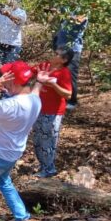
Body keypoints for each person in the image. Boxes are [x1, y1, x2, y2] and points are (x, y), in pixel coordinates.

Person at [0, 60, 48, 221]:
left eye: (7, 80)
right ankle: (22, 216)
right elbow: (36, 90)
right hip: (13, 153)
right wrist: (40, 81)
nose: (3, 82)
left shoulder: (9, 105)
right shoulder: (34, 100)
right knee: (3, 181)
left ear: (14, 82)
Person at [32, 49, 74, 177]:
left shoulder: (64, 72)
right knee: (37, 139)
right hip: (39, 109)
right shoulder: (45, 66)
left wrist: (53, 85)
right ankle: (43, 166)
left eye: (57, 54)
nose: (52, 55)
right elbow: (27, 71)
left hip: (53, 112)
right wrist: (4, 68)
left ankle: (49, 169)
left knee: (48, 140)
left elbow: (68, 94)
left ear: (64, 60)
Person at [52, 9, 88, 110]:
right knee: (60, 73)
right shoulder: (67, 7)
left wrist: (64, 14)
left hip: (73, 49)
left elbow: (79, 20)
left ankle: (72, 101)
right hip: (60, 47)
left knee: (71, 75)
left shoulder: (83, 9)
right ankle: (62, 98)